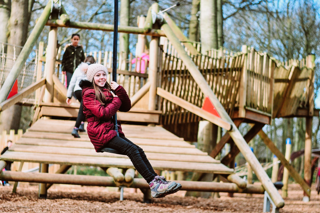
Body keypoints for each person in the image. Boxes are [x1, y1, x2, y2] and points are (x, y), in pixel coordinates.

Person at [80, 64, 181, 198]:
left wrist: (119, 90)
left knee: (138, 150)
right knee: (132, 150)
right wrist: (116, 100)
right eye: (98, 75)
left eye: (104, 74)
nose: (102, 78)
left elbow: (126, 106)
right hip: (100, 133)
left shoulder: (107, 90)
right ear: (92, 78)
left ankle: (156, 181)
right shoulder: (89, 93)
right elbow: (103, 113)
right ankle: (153, 183)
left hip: (110, 131)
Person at [66, 55, 96, 138]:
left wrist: (69, 96)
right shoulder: (94, 70)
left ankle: (82, 125)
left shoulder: (78, 68)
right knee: (82, 110)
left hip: (77, 92)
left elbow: (72, 82)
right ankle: (75, 128)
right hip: (86, 91)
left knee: (83, 108)